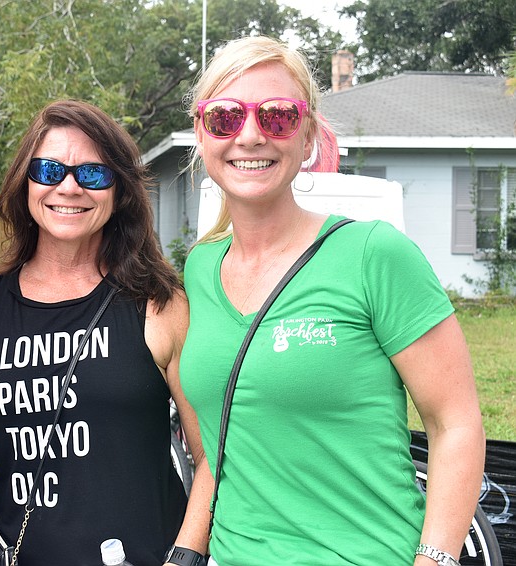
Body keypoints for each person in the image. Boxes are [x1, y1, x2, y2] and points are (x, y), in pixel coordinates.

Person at [179, 36, 486, 566]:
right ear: (203, 137)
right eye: (225, 117)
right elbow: (217, 449)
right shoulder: (200, 269)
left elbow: (455, 422)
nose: (249, 135)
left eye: (276, 116)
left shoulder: (374, 254)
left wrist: (435, 559)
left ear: (308, 141)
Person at [0, 99, 211, 566]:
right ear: (24, 182)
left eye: (93, 175)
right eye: (50, 170)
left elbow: (210, 459)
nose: (69, 187)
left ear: (119, 192)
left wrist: (186, 556)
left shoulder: (158, 304)